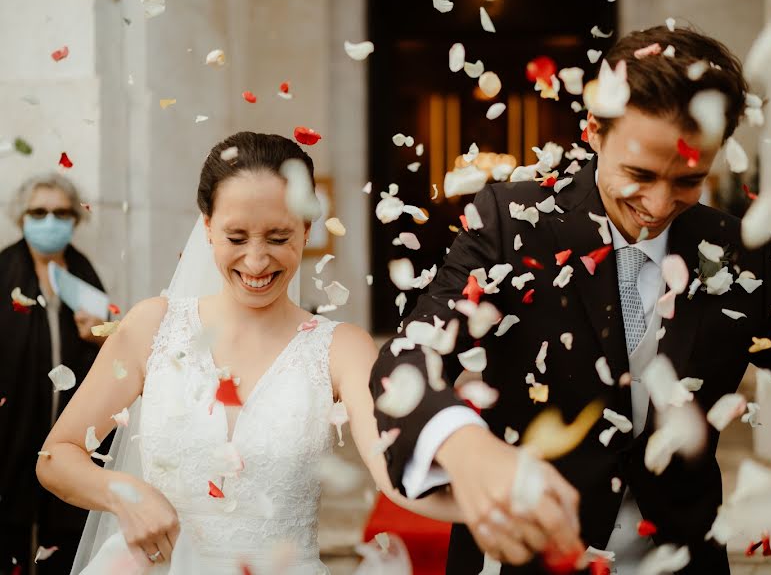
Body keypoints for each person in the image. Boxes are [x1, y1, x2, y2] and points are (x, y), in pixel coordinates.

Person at [370, 26, 771, 574]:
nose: (659, 203)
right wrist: (468, 448)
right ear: (595, 130)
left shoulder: (734, 250)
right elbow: (405, 361)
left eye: (689, 179)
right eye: (638, 174)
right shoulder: (508, 222)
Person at [36, 132, 461, 574]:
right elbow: (56, 457)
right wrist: (124, 493)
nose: (256, 261)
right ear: (206, 227)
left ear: (307, 229)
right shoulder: (152, 326)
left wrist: (503, 495)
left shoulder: (341, 347)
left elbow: (392, 470)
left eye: (278, 237)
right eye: (236, 237)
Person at [0, 174, 109, 575]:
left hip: (68, 430)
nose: (51, 221)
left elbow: (114, 351)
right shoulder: (3, 271)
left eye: (62, 212)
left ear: (75, 220)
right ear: (21, 217)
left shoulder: (81, 271)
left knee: (65, 539)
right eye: (39, 212)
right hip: (11, 433)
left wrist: (98, 333)